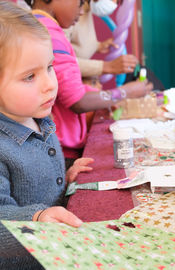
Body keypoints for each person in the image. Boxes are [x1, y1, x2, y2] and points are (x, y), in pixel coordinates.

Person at [0, 1, 94, 269]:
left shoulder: (41, 118)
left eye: (50, 67)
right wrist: (37, 219)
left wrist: (66, 171)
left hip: (57, 253)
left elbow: (38, 169)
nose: (49, 84)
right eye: (30, 76)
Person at [24, 0, 153, 167]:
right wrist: (125, 92)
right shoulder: (48, 31)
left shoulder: (37, 25)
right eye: (81, 2)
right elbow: (77, 100)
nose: (82, 10)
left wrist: (95, 94)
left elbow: (66, 86)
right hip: (62, 151)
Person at [64, 0, 139, 80]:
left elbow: (77, 39)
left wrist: (98, 46)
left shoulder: (87, 7)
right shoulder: (69, 9)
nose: (115, 4)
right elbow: (61, 60)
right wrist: (107, 67)